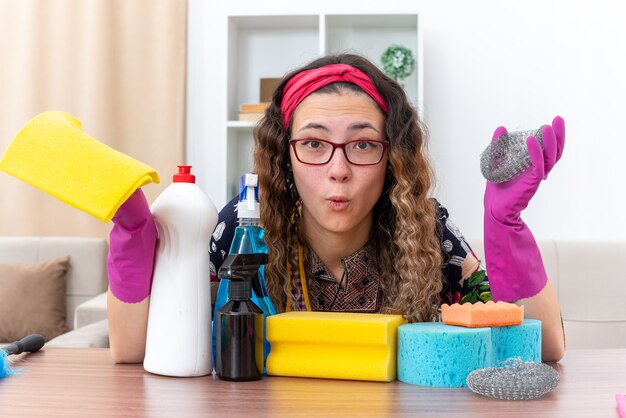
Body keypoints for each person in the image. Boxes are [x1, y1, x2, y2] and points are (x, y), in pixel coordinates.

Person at [107, 53, 566, 364]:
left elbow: (545, 347)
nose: (338, 169)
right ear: (284, 153)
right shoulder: (242, 226)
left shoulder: (425, 227)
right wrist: (132, 237)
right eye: (313, 143)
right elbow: (131, 349)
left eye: (363, 144)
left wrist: (506, 228)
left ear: (393, 158)